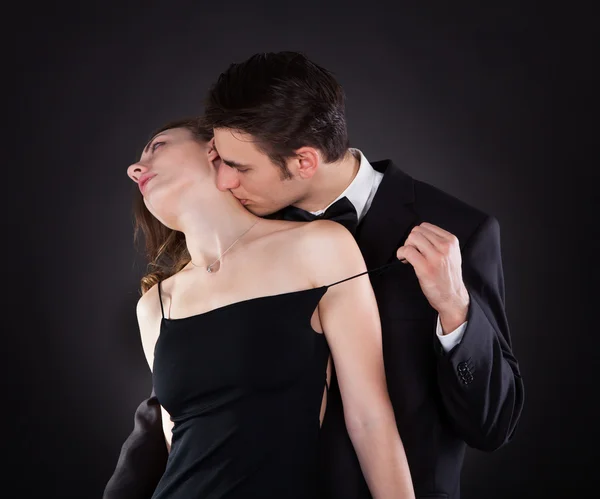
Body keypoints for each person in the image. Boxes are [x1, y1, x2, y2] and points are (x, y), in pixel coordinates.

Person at [104, 52, 524, 499]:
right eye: (218, 160)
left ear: (303, 161)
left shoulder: (461, 228)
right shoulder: (230, 240)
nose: (223, 179)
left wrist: (456, 310)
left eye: (238, 167)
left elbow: (492, 426)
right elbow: (191, 401)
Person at [116, 117, 415, 499]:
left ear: (214, 150)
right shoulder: (155, 306)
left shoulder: (320, 246)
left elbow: (370, 418)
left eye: (157, 146)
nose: (135, 168)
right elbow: (178, 446)